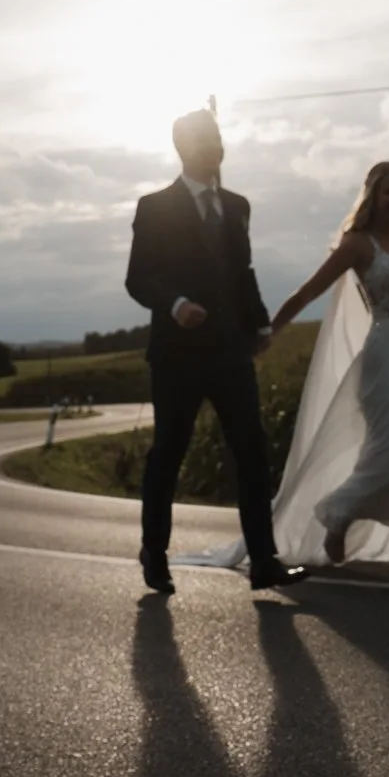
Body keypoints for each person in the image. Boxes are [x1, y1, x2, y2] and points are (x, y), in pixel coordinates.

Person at [178, 161, 389, 585]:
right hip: (386, 354)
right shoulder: (358, 245)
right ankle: (339, 512)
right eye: (388, 192)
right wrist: (269, 332)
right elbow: (308, 292)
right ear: (373, 197)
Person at [124, 109, 308, 596]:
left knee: (251, 449)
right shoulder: (154, 206)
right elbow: (138, 279)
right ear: (183, 148)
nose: (217, 147)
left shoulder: (237, 205)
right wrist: (177, 304)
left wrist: (261, 321)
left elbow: (241, 271)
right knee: (170, 452)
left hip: (230, 350)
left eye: (220, 138)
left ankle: (264, 560)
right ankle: (154, 553)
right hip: (177, 355)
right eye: (207, 140)